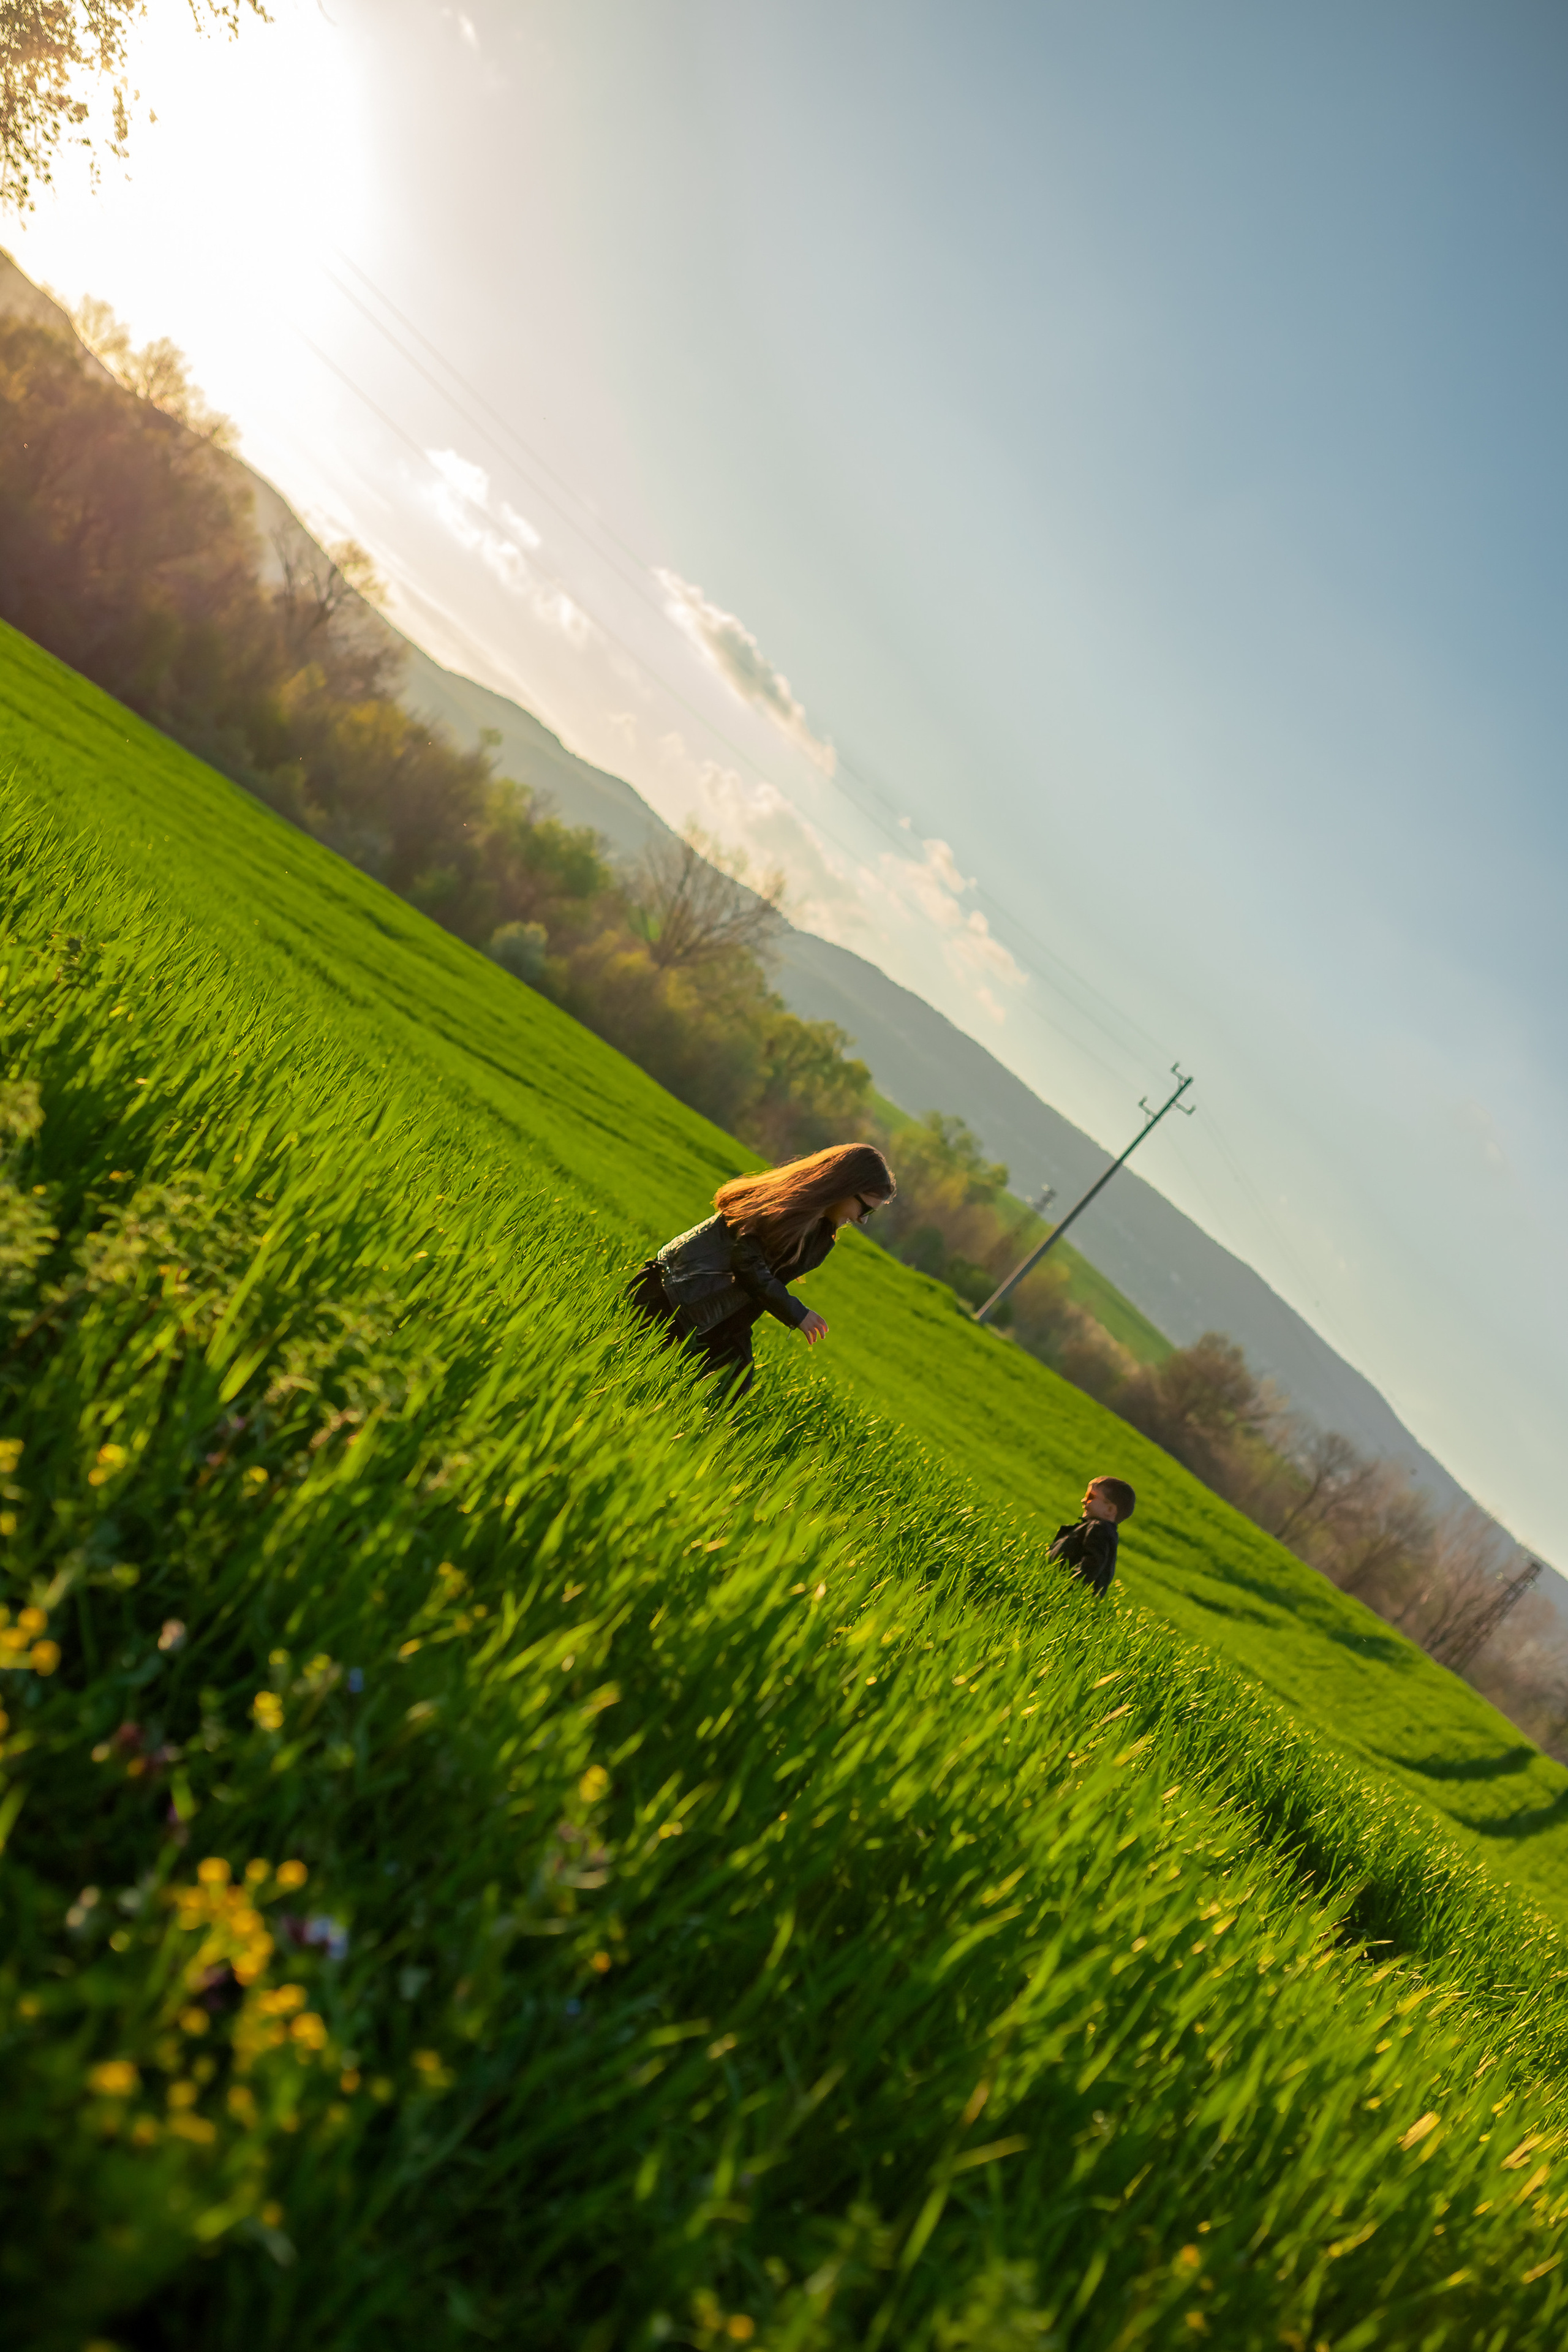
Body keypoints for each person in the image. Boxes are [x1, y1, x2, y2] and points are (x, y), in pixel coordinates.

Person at [627, 1142, 897, 1401]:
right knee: (638, 1381)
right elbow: (746, 1264)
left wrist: (735, 1349)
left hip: (709, 1317)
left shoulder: (821, 1237)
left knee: (732, 1388)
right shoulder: (778, 1204)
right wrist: (795, 1312)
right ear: (845, 1187)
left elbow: (755, 1294)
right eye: (865, 1209)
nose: (862, 1220)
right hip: (665, 1297)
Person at [1047, 1477, 1136, 1599]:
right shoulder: (1103, 1531)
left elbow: (1092, 1564)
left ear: (1110, 1510)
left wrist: (1068, 1585)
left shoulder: (1099, 1529)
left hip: (1066, 1595)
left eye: (1091, 1497)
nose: (1084, 1501)